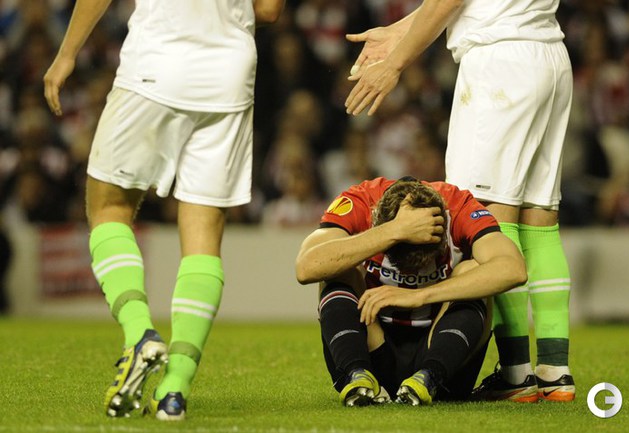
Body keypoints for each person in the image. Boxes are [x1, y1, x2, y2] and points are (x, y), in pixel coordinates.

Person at [43, 0, 285, 421]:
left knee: (109, 206)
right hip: (228, 74)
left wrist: (66, 53)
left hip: (158, 63)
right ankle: (175, 390)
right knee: (203, 236)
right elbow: (268, 11)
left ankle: (139, 333)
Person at [343, 0, 576, 402]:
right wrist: (399, 30)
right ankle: (555, 371)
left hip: (499, 64)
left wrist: (395, 64)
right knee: (539, 220)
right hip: (548, 56)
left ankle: (516, 373)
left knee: (490, 219)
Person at [295, 176, 527, 406]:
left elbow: (513, 269)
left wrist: (420, 295)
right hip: (375, 348)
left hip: (444, 357)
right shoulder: (361, 201)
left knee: (472, 270)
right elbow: (306, 268)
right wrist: (394, 230)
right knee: (337, 270)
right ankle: (358, 374)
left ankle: (430, 376)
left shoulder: (459, 207)